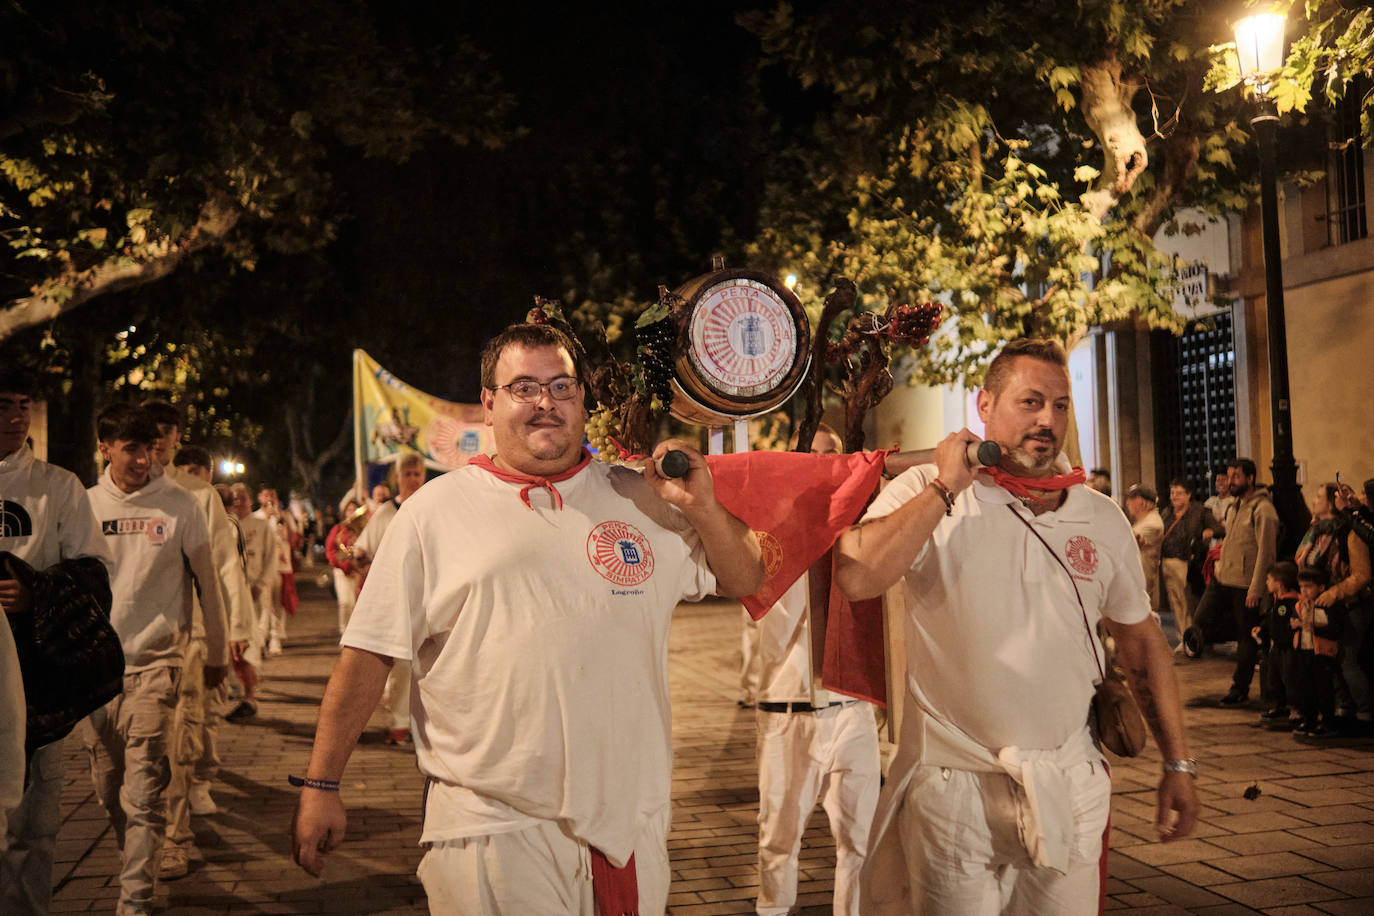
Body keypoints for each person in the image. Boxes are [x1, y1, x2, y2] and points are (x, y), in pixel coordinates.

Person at [291, 323, 763, 913]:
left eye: (562, 386)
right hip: (492, 826)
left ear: (584, 401)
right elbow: (368, 656)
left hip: (630, 824)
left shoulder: (643, 499)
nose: (546, 402)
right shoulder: (432, 513)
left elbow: (746, 580)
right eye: (524, 387)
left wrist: (706, 510)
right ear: (488, 403)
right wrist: (321, 785)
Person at [834, 338, 1198, 914]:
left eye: (1059, 406)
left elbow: (1141, 642)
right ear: (985, 405)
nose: (1046, 421)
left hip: (1068, 779)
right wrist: (944, 487)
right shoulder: (928, 492)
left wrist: (1177, 763)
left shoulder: (1100, 517)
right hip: (955, 785)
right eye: (1030, 403)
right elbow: (857, 577)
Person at [84, 404, 229, 916]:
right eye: (131, 448)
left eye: (149, 448)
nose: (143, 459)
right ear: (105, 448)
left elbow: (209, 584)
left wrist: (217, 650)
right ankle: (137, 862)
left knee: (143, 791)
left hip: (158, 665)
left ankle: (135, 901)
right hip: (96, 676)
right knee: (107, 788)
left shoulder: (179, 504)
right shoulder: (83, 506)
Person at [753, 424, 879, 916]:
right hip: (789, 713)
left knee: (861, 839)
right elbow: (769, 636)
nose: (825, 468)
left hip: (853, 708)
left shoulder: (864, 537)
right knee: (779, 839)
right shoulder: (772, 540)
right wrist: (799, 547)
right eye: (814, 459)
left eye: (834, 459)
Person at [0, 369, 113, 916]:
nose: (16, 416)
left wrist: (33, 594)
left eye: (24, 404)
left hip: (33, 675)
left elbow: (93, 575)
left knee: (34, 826)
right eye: (3, 404)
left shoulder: (58, 486)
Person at [147, 406, 253, 879]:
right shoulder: (98, 500)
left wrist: (233, 632)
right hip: (128, 645)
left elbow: (223, 566)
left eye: (166, 435)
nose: (159, 446)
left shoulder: (197, 494)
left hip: (187, 635)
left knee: (183, 730)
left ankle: (176, 833)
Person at [349, 451, 428, 745]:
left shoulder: (433, 508)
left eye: (418, 474)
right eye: (407, 474)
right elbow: (361, 551)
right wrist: (362, 560)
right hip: (396, 601)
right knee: (402, 667)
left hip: (430, 600)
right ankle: (399, 723)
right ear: (398, 478)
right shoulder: (385, 513)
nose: (413, 480)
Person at [1185, 459, 1279, 702]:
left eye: (1236, 476)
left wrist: (1257, 588)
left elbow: (1266, 553)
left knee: (1246, 636)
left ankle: (1239, 689)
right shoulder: (1235, 506)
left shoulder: (1263, 510)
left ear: (1250, 478)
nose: (1230, 481)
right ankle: (1227, 638)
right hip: (1223, 578)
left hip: (1245, 584)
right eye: (1229, 476)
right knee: (1200, 620)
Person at [1296, 483, 1372, 728]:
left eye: (1320, 497)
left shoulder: (1351, 533)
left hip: (1351, 602)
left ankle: (1365, 714)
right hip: (1332, 601)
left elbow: (1360, 574)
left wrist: (1334, 592)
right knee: (1334, 658)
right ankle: (1345, 709)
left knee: (1348, 658)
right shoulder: (1320, 532)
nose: (1315, 501)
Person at [225, 482, 276, 721]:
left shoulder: (261, 525)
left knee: (250, 640)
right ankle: (239, 690)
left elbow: (270, 558)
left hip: (254, 589)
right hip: (230, 593)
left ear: (250, 500)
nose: (237, 500)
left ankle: (249, 692)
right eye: (233, 497)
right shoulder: (223, 524)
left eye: (242, 496)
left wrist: (261, 585)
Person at [1158, 479, 1223, 650]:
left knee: (1190, 602)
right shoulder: (1166, 513)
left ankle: (1194, 637)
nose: (1174, 497)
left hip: (1190, 563)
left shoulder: (1200, 511)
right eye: (1172, 493)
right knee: (1175, 602)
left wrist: (1209, 532)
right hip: (1168, 561)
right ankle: (1183, 636)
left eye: (1178, 493)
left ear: (1188, 495)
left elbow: (1220, 528)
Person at [1290, 566, 1344, 738]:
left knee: (1323, 688)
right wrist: (1295, 625)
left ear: (1321, 588)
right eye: (1301, 587)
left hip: (1322, 653)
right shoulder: (1299, 605)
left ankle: (1328, 722)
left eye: (1308, 587)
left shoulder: (1327, 606)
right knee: (1305, 687)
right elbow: (1291, 622)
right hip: (1304, 651)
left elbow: (1335, 629)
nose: (1304, 591)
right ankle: (1309, 718)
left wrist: (1315, 629)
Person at [1254, 561, 1300, 728]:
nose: (1266, 583)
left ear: (1278, 583)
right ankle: (1279, 706)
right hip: (1277, 646)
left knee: (1289, 677)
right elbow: (1270, 619)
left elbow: (1284, 623)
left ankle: (1296, 709)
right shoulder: (1277, 600)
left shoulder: (1288, 603)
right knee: (1274, 676)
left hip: (1287, 647)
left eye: (1268, 579)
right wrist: (1262, 628)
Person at [254, 487, 296, 655]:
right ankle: (260, 639)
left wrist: (281, 517)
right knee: (263, 605)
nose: (269, 498)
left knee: (278, 604)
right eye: (265, 495)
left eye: (272, 495)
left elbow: (292, 539)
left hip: (280, 566)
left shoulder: (282, 516)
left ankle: (275, 638)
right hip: (261, 567)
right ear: (259, 497)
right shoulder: (255, 517)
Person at [324, 500, 365, 636]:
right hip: (341, 571)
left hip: (357, 571)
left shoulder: (362, 529)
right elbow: (330, 549)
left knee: (355, 604)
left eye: (354, 509)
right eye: (349, 510)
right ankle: (344, 630)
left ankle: (353, 633)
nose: (351, 512)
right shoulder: (338, 529)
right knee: (345, 602)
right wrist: (340, 564)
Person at [1124, 484, 1164, 613]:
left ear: (1141, 502)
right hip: (1134, 580)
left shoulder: (1153, 523)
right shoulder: (1144, 520)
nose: (1127, 503)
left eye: (1130, 499)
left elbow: (1125, 540)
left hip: (1140, 581)